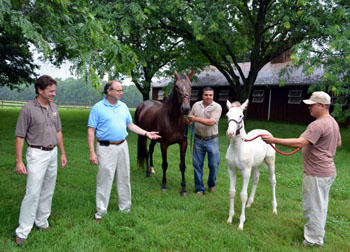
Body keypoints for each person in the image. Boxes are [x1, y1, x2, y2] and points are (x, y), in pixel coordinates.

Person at [261, 91, 341, 246]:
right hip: (327, 171)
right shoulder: (332, 122)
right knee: (321, 205)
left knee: (313, 207)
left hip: (317, 173)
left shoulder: (317, 124)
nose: (309, 108)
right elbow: (337, 143)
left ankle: (313, 241)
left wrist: (272, 140)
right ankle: (317, 233)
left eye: (312, 105)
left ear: (322, 105)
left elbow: (299, 143)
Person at [88, 80, 160, 222]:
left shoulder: (123, 106)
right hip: (105, 147)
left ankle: (125, 209)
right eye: (118, 90)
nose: (121, 93)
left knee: (124, 177)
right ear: (109, 91)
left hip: (122, 146)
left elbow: (130, 125)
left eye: (121, 90)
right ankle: (101, 212)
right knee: (105, 179)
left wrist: (146, 133)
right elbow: (91, 130)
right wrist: (92, 152)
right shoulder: (98, 108)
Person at [14, 75, 67, 246]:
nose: (54, 94)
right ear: (40, 90)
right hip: (36, 154)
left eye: (54, 91)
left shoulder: (54, 107)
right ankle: (23, 231)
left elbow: (58, 131)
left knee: (48, 190)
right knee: (33, 193)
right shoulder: (27, 109)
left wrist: (63, 153)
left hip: (53, 153)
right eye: (51, 91)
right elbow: (20, 135)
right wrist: (19, 161)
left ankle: (42, 221)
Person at [188, 87, 222, 195]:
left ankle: (211, 184)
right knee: (197, 164)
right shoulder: (196, 105)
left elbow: (211, 122)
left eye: (210, 95)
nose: (208, 97)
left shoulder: (217, 107)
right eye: (206, 95)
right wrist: (189, 120)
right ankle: (199, 188)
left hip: (212, 140)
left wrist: (195, 119)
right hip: (198, 139)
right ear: (202, 95)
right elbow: (190, 116)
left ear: (213, 96)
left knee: (213, 164)